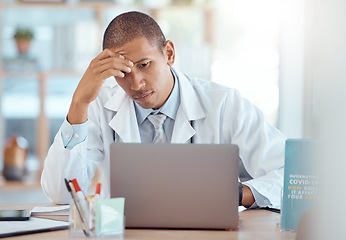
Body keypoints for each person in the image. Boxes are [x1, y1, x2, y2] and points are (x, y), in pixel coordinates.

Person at [41, 11, 286, 209]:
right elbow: (60, 194)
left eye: (144, 65)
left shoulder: (224, 104)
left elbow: (290, 175)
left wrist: (235, 194)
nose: (136, 84)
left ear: (169, 53)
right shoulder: (98, 107)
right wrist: (78, 104)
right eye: (123, 73)